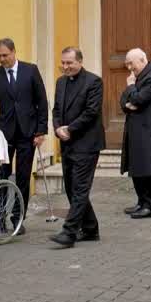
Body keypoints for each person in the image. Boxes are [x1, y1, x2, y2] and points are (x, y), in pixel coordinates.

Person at [0, 37, 47, 233]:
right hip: (4, 135)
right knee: (1, 176)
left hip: (28, 134)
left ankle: (18, 218)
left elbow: (42, 101)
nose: (2, 59)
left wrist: (41, 131)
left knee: (22, 177)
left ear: (14, 52)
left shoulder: (31, 70)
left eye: (5, 55)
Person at [49, 47, 105, 248]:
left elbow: (91, 112)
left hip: (86, 143)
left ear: (80, 62)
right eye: (63, 63)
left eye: (69, 63)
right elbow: (56, 109)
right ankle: (90, 228)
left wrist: (70, 129)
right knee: (71, 188)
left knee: (80, 188)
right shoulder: (60, 82)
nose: (65, 67)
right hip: (66, 143)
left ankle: (69, 232)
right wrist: (57, 129)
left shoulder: (94, 82)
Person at [119, 48, 151, 219]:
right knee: (136, 168)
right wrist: (131, 100)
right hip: (137, 131)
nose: (129, 67)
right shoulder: (138, 77)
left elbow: (138, 99)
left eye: (131, 63)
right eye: (127, 64)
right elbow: (123, 102)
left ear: (142, 60)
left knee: (149, 169)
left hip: (150, 132)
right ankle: (141, 202)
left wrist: (132, 89)